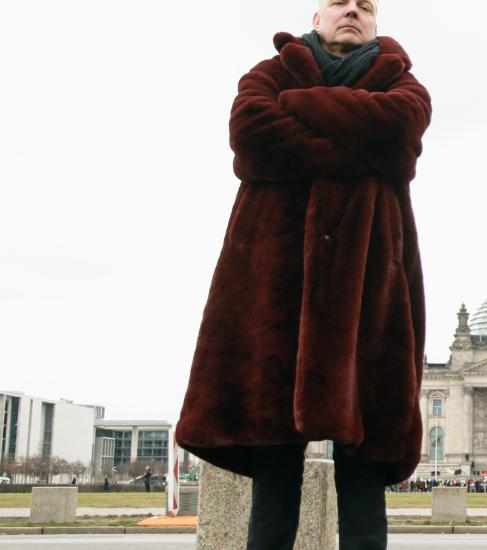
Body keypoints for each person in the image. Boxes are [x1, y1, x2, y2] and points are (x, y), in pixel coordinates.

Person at [174, 1, 431, 549]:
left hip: (368, 289)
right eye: (340, 2)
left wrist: (299, 110)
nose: (352, 11)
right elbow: (251, 138)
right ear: (316, 18)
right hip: (273, 286)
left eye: (365, 6)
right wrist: (359, 142)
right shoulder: (266, 75)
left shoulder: (405, 85)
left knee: (364, 468)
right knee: (274, 467)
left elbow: (398, 136)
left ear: (375, 23)